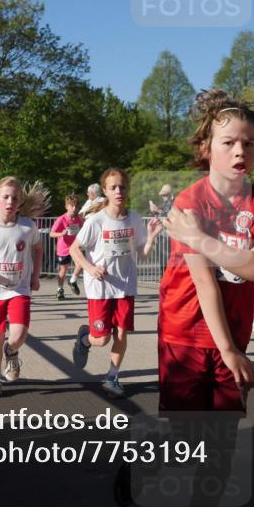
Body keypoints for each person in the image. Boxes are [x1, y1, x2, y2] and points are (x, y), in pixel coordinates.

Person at [155, 90, 254, 507]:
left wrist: (203, 240)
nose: (239, 151)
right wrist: (228, 349)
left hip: (232, 336)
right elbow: (206, 283)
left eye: (247, 143)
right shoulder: (190, 200)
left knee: (221, 445)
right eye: (228, 142)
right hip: (186, 332)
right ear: (207, 148)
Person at [70, 170, 160, 398]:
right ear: (106, 191)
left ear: (127, 189)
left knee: (121, 333)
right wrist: (90, 268)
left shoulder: (135, 219)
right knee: (101, 339)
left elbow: (143, 254)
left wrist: (150, 238)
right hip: (100, 288)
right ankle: (84, 339)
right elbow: (74, 249)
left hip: (125, 286)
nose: (119, 191)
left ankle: (112, 376)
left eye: (122, 187)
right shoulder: (96, 221)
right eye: (113, 188)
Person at [0, 176, 47, 398]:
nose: (10, 201)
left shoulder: (27, 226)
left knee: (19, 333)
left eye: (15, 197)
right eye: (5, 197)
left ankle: (11, 351)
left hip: (18, 288)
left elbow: (38, 249)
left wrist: (35, 275)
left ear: (20, 201)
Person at [50, 194, 84, 300]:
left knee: (80, 264)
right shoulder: (61, 219)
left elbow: (83, 230)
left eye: (76, 206)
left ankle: (72, 280)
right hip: (63, 248)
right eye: (72, 206)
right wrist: (61, 234)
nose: (74, 208)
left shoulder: (79, 219)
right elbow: (51, 233)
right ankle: (60, 289)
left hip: (75, 247)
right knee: (63, 270)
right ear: (66, 206)